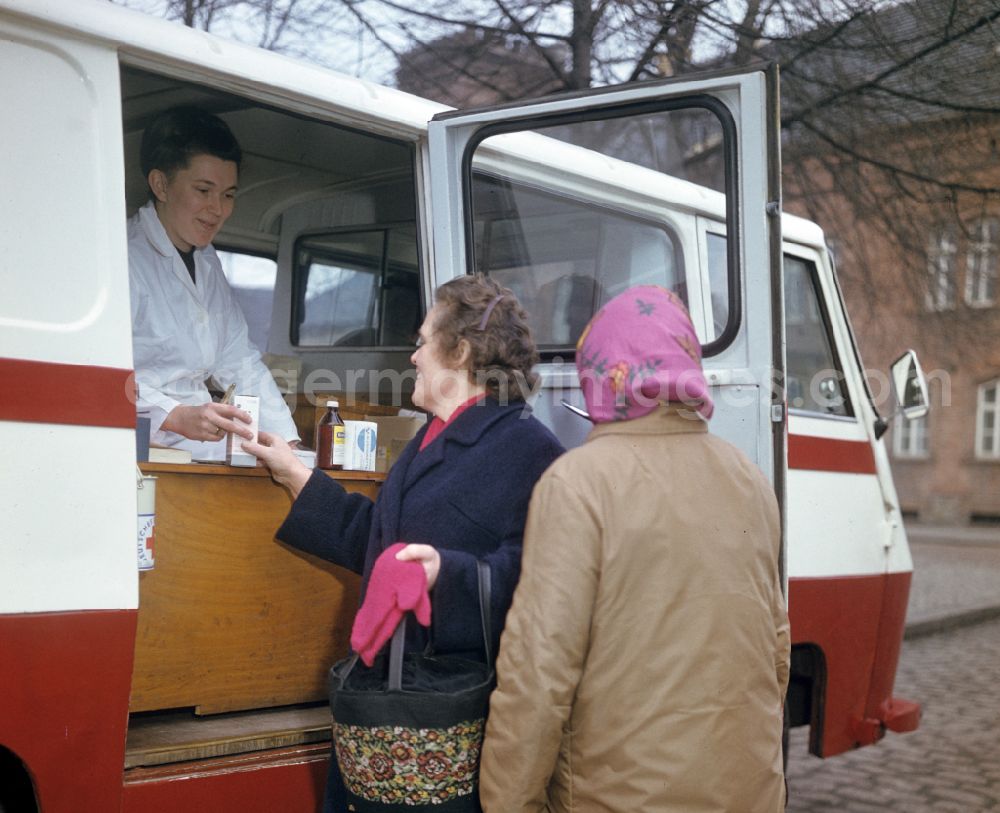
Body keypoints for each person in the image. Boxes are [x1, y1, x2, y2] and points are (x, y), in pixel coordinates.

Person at [245, 274, 565, 811]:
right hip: (387, 714)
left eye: (422, 341)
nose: (413, 356)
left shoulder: (530, 451)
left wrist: (447, 572)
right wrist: (296, 475)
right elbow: (381, 544)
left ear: (460, 351)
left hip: (446, 722)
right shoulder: (430, 436)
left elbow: (543, 583)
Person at [480, 284, 790, 812]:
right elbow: (775, 649)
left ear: (600, 375)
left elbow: (539, 673)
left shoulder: (577, 483)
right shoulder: (749, 478)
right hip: (748, 792)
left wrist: (509, 803)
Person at [129, 105, 299, 460]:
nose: (217, 209)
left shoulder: (205, 260)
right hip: (135, 445)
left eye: (228, 195)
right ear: (160, 184)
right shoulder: (123, 258)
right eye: (204, 190)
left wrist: (288, 444)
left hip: (194, 447)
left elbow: (239, 361)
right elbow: (97, 375)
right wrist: (174, 415)